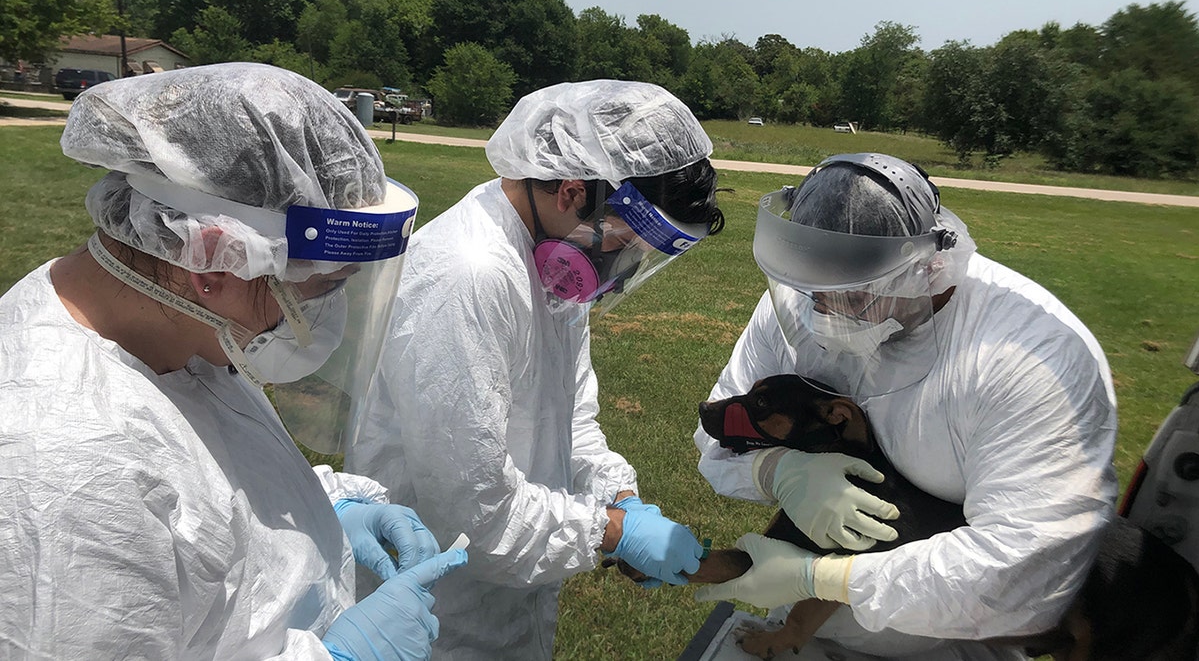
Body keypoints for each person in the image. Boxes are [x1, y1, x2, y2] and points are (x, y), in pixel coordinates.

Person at [0, 62, 466, 660]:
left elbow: (198, 482)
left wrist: (328, 507)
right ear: (215, 262)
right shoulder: (64, 474)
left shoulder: (177, 333)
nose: (331, 308)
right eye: (325, 284)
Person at [344, 80, 726, 659]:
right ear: (573, 191)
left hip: (511, 597)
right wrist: (609, 533)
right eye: (626, 240)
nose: (622, 266)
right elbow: (471, 512)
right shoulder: (467, 276)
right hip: (434, 611)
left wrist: (620, 498)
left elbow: (571, 418)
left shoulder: (547, 264)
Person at [692, 153, 1118, 660]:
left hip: (951, 638)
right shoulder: (803, 298)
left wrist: (827, 577)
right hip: (802, 623)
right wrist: (774, 469)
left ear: (922, 270)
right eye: (811, 287)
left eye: (847, 292)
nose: (819, 309)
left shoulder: (1032, 355)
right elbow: (721, 426)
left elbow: (1020, 570)